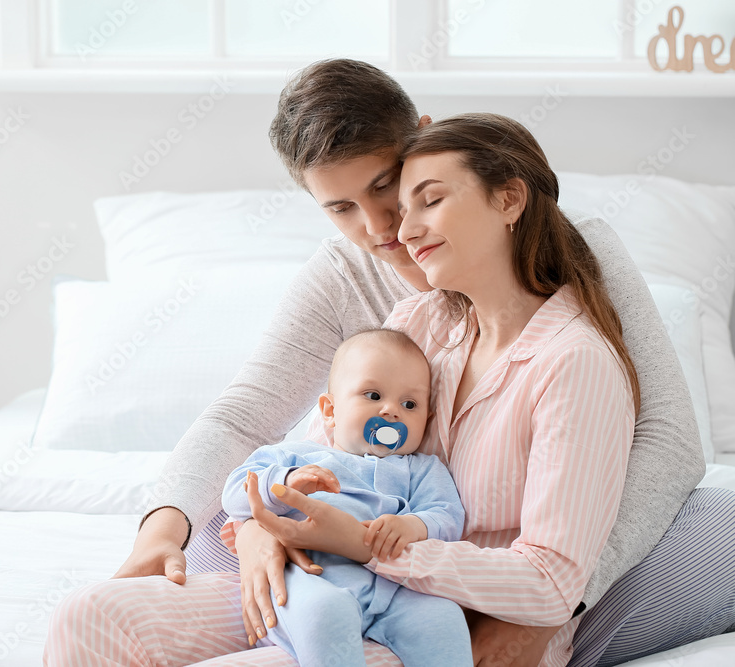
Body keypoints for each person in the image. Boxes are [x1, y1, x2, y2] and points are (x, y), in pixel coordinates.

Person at [43, 60, 735, 667]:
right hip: (377, 522)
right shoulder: (402, 312)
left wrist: (551, 608)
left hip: (544, 531)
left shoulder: (572, 295)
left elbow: (671, 441)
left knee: (716, 523)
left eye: (393, 188)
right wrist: (226, 524)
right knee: (187, 554)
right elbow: (256, 420)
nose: (383, 228)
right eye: (342, 208)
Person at [222, 328, 470, 667]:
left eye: (409, 404)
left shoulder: (421, 469)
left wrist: (413, 525)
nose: (391, 411)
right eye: (372, 395)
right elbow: (236, 489)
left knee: (444, 617)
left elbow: (447, 515)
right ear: (330, 411)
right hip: (310, 577)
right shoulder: (298, 456)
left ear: (425, 421)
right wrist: (286, 481)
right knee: (327, 612)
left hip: (391, 586)